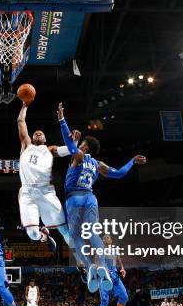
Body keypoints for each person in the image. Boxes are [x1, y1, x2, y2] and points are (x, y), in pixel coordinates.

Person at [57, 103, 146, 292]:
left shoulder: (79, 155)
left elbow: (70, 144)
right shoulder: (98, 164)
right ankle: (104, 267)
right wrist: (132, 161)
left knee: (76, 235)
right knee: (94, 233)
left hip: (74, 198)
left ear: (85, 146)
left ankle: (90, 268)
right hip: (90, 198)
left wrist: (62, 120)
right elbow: (120, 173)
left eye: (81, 144)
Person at [16, 102, 78, 255]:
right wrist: (25, 105)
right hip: (27, 192)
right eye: (36, 132)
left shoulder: (49, 149)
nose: (38, 133)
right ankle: (44, 235)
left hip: (46, 192)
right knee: (32, 234)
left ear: (45, 139)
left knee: (64, 229)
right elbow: (20, 122)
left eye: (41, 133)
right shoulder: (26, 144)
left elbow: (67, 150)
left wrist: (74, 143)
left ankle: (82, 260)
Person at [97, 234, 128, 306]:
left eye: (107, 237)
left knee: (124, 297)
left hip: (114, 275)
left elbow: (119, 261)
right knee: (105, 300)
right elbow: (97, 262)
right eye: (104, 238)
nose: (106, 238)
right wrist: (104, 268)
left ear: (111, 240)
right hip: (104, 276)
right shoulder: (100, 250)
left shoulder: (115, 250)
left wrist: (122, 268)